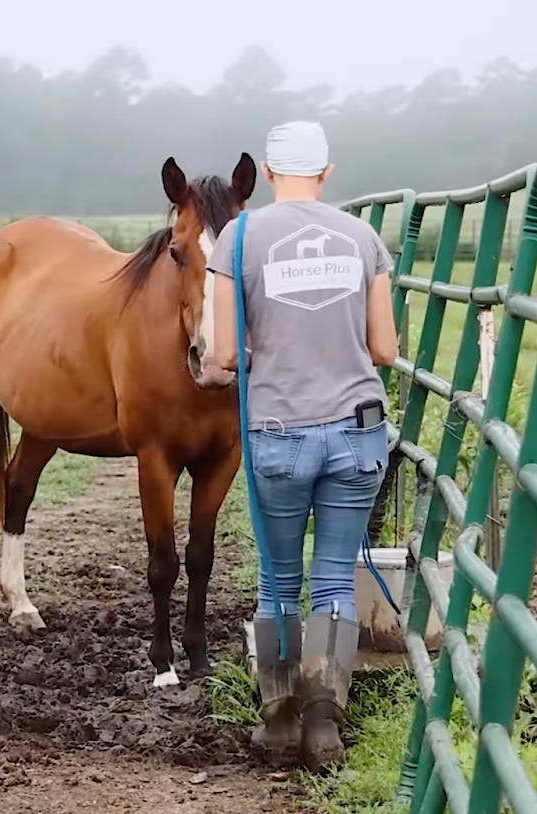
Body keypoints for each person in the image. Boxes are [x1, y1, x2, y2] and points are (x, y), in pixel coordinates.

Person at [201, 120, 399, 772]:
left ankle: (280, 720)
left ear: (268, 168)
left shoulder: (237, 238)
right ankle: (325, 724)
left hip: (279, 434)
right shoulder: (362, 237)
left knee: (278, 581)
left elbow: (225, 353)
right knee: (334, 579)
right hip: (356, 429)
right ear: (327, 172)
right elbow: (385, 350)